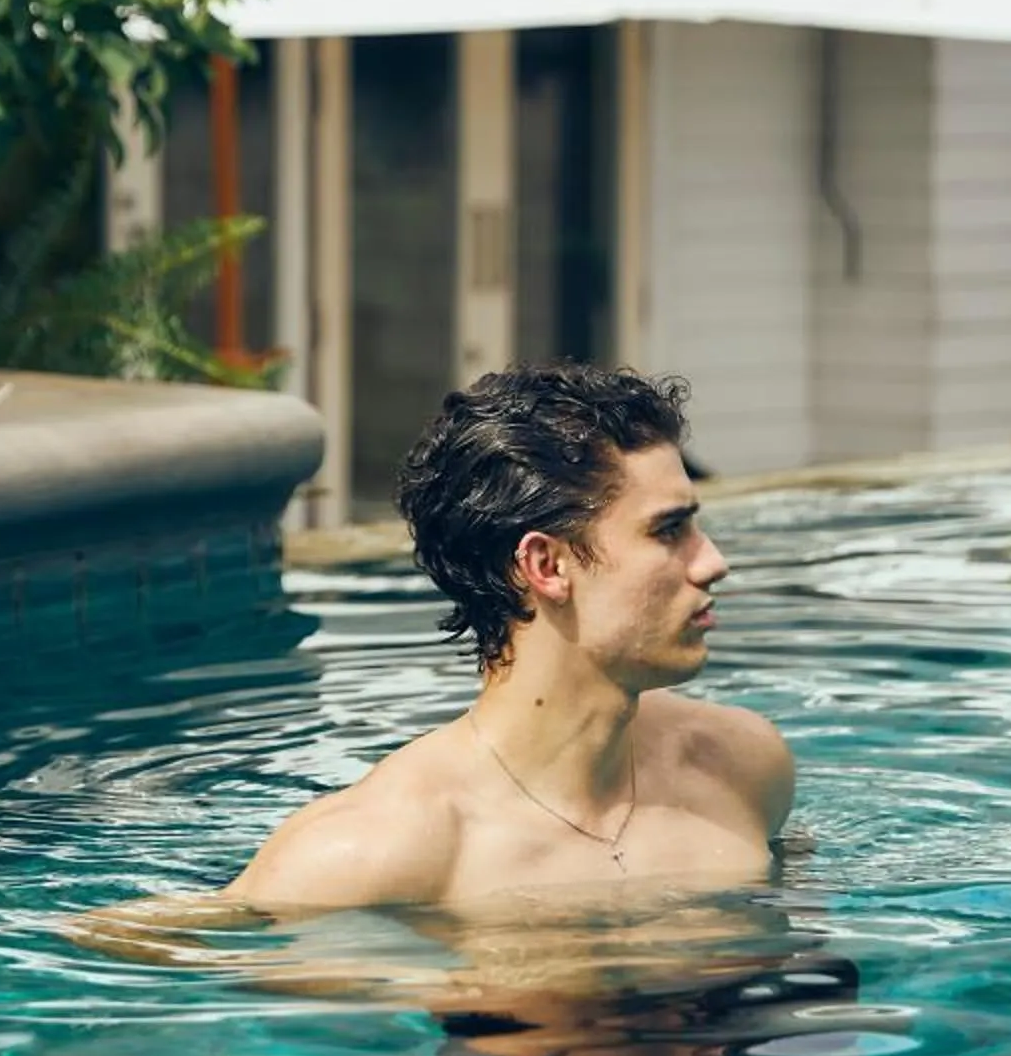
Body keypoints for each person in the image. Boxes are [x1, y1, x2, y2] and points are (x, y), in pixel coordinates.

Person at [225, 362, 794, 913]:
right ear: (546, 565)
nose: (712, 563)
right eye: (668, 530)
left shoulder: (743, 766)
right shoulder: (371, 852)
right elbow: (171, 958)